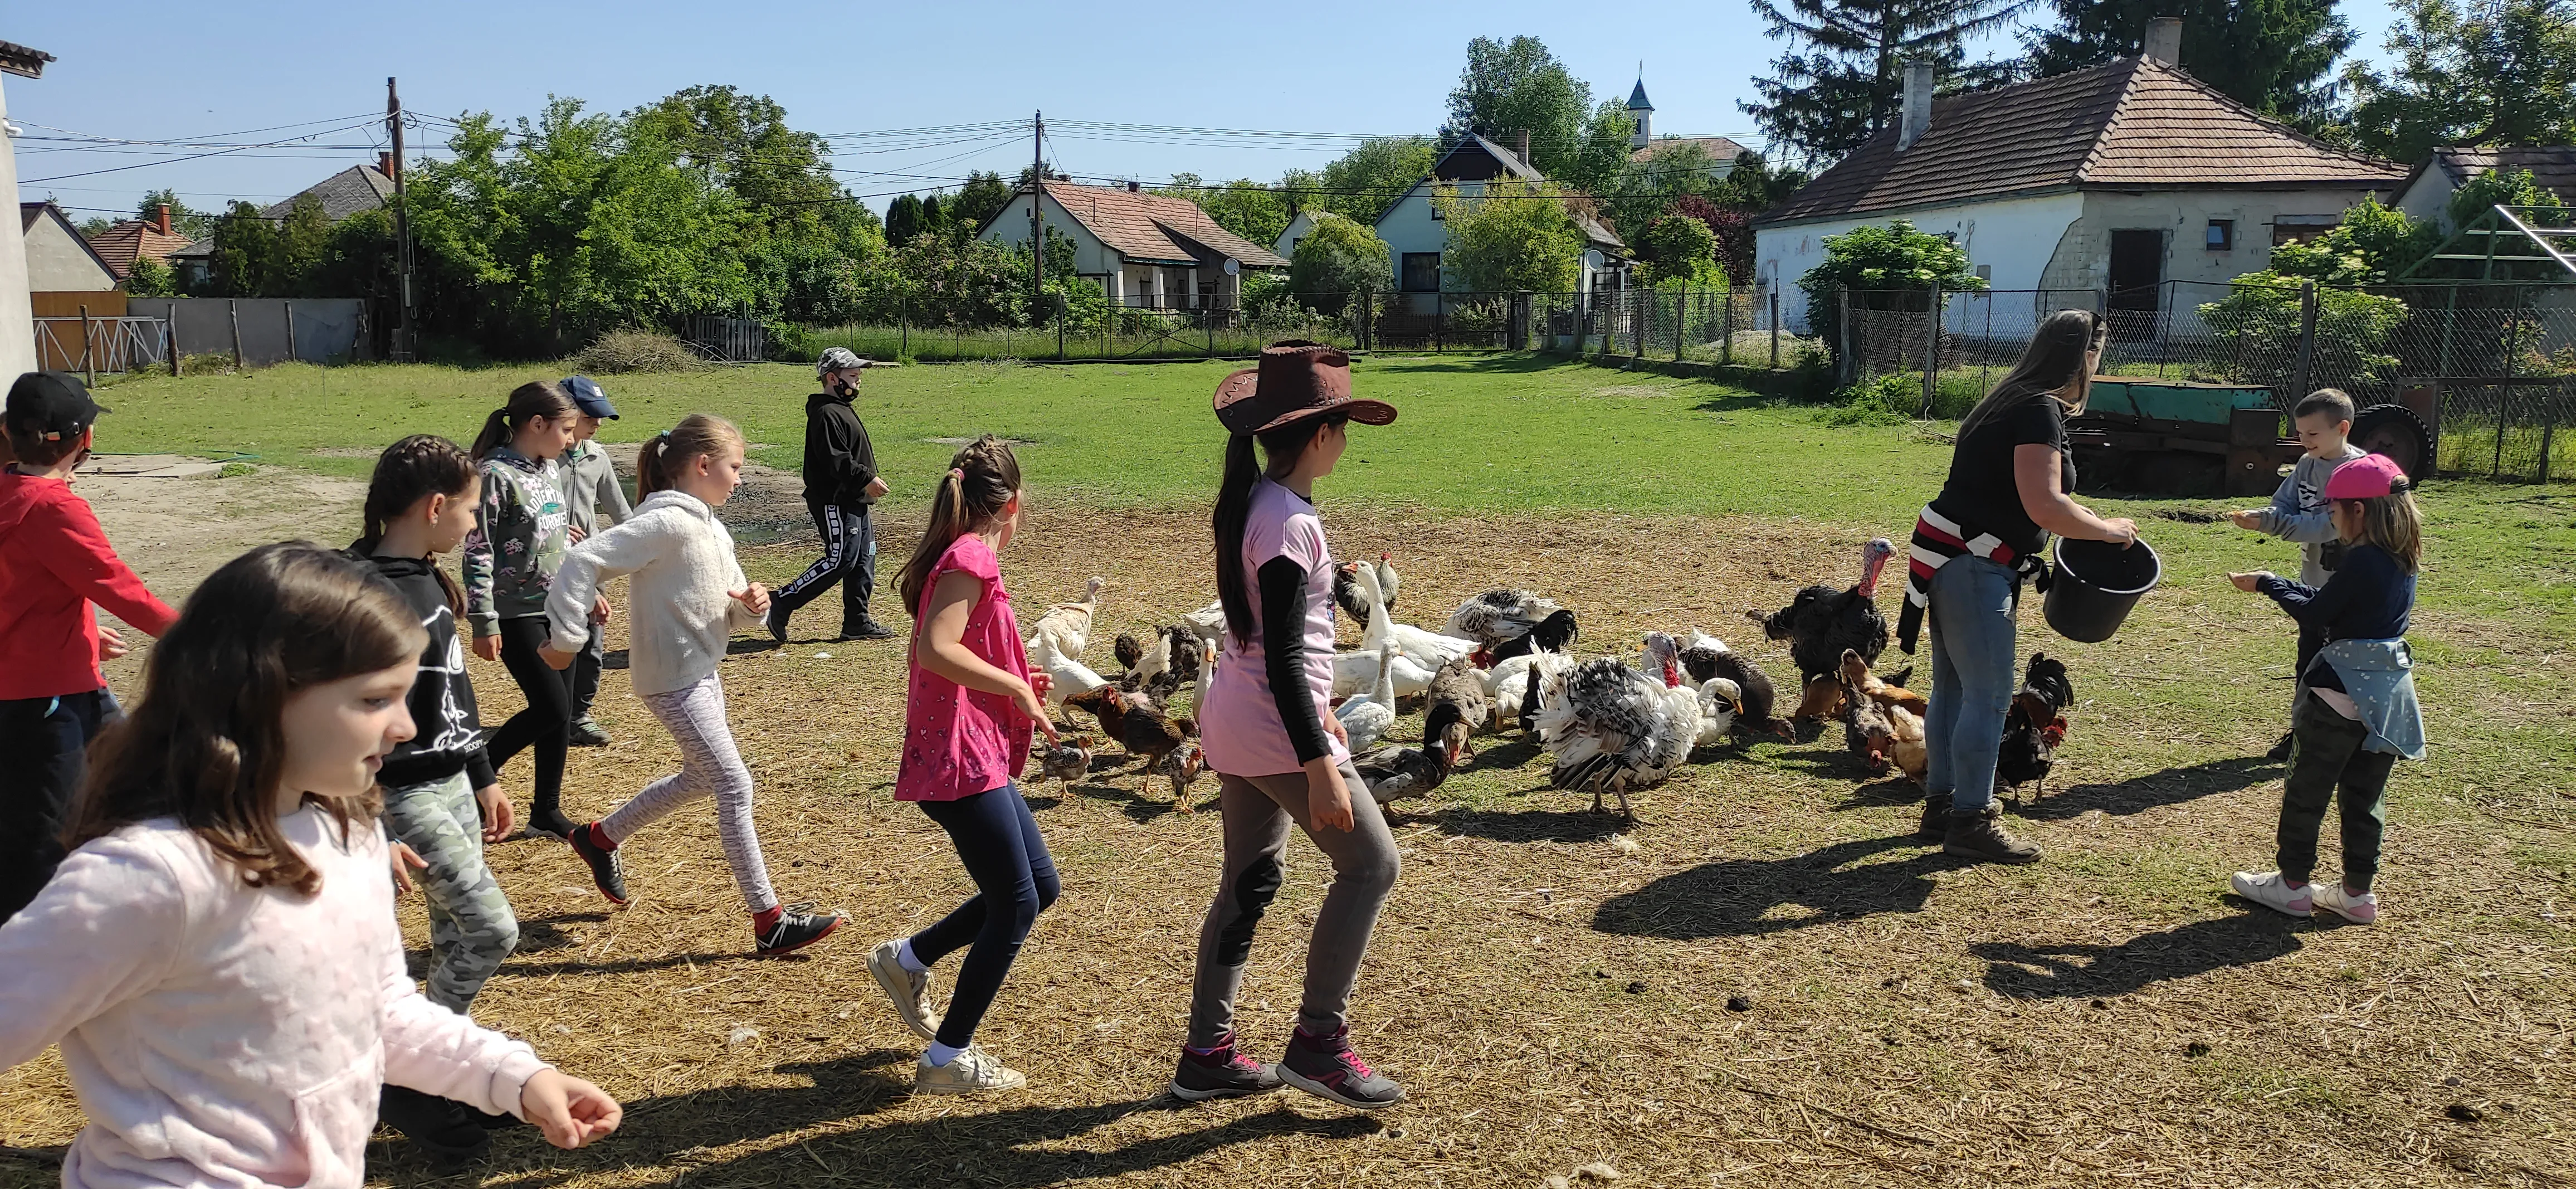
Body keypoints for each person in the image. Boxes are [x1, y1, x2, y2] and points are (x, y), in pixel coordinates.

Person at [0, 543, 621, 1187]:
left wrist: (512, 1076)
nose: (406, 727)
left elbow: (377, 1010)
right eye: (375, 700)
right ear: (263, 694)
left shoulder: (347, 836)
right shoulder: (148, 878)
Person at [1174, 341, 1406, 1110]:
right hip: (1274, 730)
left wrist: (1321, 724)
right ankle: (1318, 1044)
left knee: (1247, 882)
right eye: (1342, 425)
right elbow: (1279, 655)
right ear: (1318, 434)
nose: (1346, 438)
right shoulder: (1288, 522)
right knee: (1372, 865)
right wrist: (1321, 763)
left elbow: (1284, 647)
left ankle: (1206, 1054)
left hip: (1237, 726)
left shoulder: (1264, 504)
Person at [544, 415, 845, 957]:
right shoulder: (666, 522)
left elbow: (730, 607)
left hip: (703, 672)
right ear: (702, 465)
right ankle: (769, 921)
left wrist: (751, 605)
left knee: (701, 778)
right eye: (733, 467)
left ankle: (599, 837)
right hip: (672, 679)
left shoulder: (711, 526)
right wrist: (567, 634)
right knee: (734, 784)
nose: (738, 479)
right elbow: (582, 560)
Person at [1896, 310, 2138, 865]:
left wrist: (2089, 520)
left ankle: (1944, 802)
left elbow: (2037, 496)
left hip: (1949, 556)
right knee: (1986, 693)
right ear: (2084, 357)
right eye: (2098, 356)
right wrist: (2108, 530)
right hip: (1973, 564)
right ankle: (1971, 819)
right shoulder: (2037, 409)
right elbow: (2043, 504)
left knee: (1955, 687)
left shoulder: (2008, 397)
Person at [863, 436, 1063, 1096]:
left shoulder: (967, 555)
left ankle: (908, 957)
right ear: (1014, 505)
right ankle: (948, 1057)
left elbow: (964, 646)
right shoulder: (972, 554)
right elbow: (936, 647)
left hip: (972, 749)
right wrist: (1012, 688)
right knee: (1015, 903)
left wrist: (1012, 675)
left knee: (1038, 886)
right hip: (956, 758)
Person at [348, 434, 529, 1165]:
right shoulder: (364, 587)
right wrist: (358, 808)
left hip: (451, 780)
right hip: (401, 792)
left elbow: (450, 687)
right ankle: (407, 1073)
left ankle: (434, 1068)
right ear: (432, 506)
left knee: (454, 938)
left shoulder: (425, 575)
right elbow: (346, 704)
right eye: (470, 508)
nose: (475, 523)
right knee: (491, 930)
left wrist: (482, 771)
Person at [0, 371, 177, 923]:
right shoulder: (53, 508)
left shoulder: (10, 492)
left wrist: (82, 628)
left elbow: (31, 583)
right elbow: (117, 585)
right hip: (45, 699)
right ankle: (30, 954)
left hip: (68, 682)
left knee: (149, 782)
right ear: (85, 440)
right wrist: (199, 633)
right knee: (47, 831)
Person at [2224, 454, 2423, 925]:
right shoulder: (2403, 557)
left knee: (2306, 789)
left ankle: (2292, 885)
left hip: (2338, 692)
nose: (2329, 517)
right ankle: (2358, 892)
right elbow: (2333, 604)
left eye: (2333, 509)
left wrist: (2269, 585)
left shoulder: (2362, 560)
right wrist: (2281, 583)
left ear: (2358, 510)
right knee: (2364, 797)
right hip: (2388, 698)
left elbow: (2316, 615)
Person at [464, 381, 591, 841]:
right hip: (516, 611)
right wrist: (483, 619)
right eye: (566, 430)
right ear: (537, 424)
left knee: (561, 711)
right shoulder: (494, 474)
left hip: (561, 605)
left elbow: (554, 535)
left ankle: (547, 811)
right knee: (550, 707)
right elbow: (477, 550)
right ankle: (473, 779)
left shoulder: (549, 469)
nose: (571, 440)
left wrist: (584, 587)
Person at [2228, 388, 2366, 761]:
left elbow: (2327, 528)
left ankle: (2349, 737)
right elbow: (2284, 504)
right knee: (2309, 659)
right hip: (2314, 580)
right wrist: (2264, 515)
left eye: (2312, 434)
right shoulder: (2308, 463)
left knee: (2343, 663)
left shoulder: (2359, 472)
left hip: (2349, 588)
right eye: (2300, 434)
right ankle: (2304, 733)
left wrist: (2271, 524)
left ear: (2343, 428)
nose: (2304, 442)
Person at [768, 347, 892, 644]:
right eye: (852, 375)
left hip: (855, 500)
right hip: (834, 501)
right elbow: (836, 460)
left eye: (859, 375)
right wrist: (866, 479)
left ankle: (856, 622)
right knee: (841, 559)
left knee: (863, 559)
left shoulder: (840, 409)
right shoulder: (825, 413)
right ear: (833, 378)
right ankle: (782, 601)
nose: (858, 380)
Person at [558, 376, 633, 748]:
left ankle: (579, 715)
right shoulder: (540, 458)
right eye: (591, 416)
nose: (598, 423)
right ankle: (554, 713)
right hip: (548, 570)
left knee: (591, 644)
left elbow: (621, 511)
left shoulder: (596, 456)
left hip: (590, 566)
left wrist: (645, 547)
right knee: (557, 642)